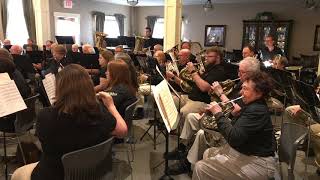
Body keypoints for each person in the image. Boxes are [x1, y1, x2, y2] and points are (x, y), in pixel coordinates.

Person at [11, 64, 127, 180]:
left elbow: (44, 146)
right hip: (93, 172)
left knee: (18, 173)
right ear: (88, 86)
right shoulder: (100, 112)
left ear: (60, 88)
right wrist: (111, 106)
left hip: (56, 174)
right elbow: (122, 131)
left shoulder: (46, 116)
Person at [166, 57, 261, 175]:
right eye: (239, 71)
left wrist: (220, 94)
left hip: (229, 122)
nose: (238, 74)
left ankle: (188, 163)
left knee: (201, 132)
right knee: (191, 117)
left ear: (251, 73)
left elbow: (235, 109)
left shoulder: (252, 90)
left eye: (241, 72)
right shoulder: (242, 83)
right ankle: (183, 148)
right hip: (224, 115)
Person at [192, 71, 278, 180]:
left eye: (245, 89)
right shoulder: (251, 104)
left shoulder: (257, 110)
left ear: (259, 93)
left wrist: (218, 113)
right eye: (242, 88)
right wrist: (230, 115)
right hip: (247, 152)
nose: (241, 92)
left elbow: (234, 138)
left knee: (200, 168)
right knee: (208, 153)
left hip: (259, 163)